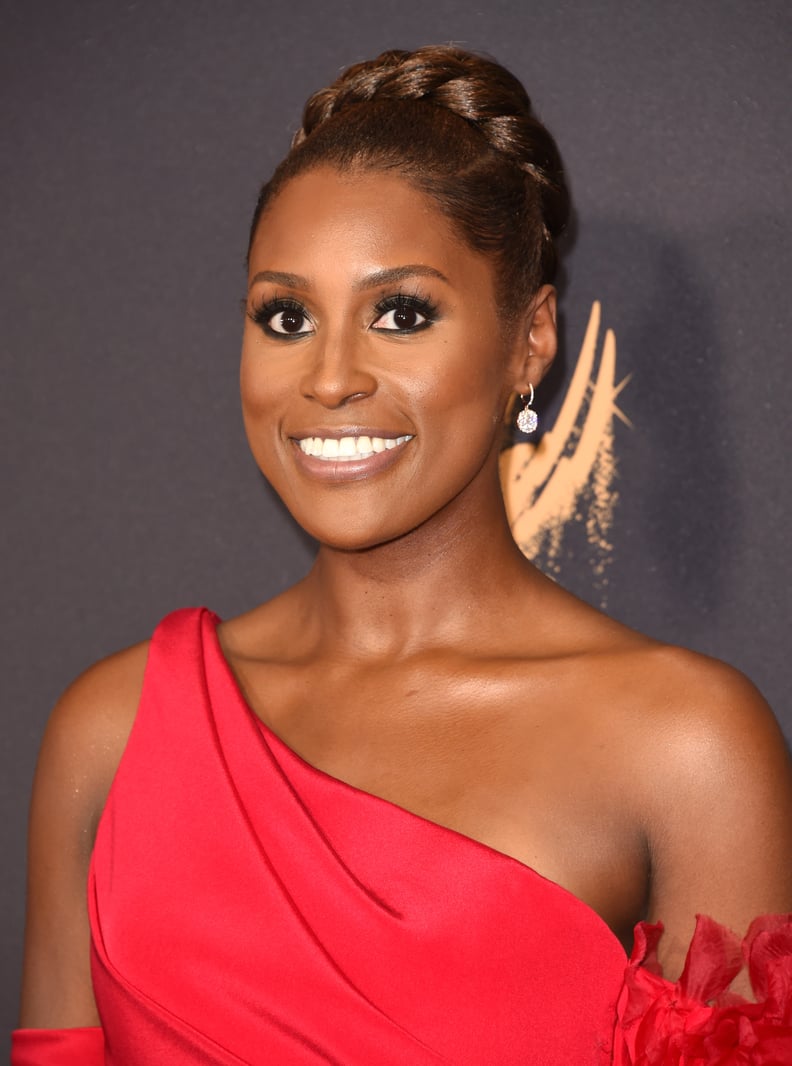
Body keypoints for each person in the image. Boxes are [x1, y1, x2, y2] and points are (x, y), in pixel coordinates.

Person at [14, 45, 792, 1065]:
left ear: (532, 339)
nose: (331, 376)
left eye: (402, 313)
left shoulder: (687, 745)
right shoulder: (111, 730)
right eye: (285, 317)